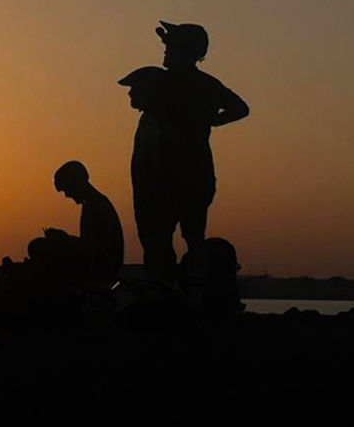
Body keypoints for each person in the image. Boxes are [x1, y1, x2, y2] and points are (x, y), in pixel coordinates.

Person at [119, 21, 249, 288]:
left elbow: (142, 100)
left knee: (158, 237)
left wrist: (209, 121)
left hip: (163, 178)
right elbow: (239, 108)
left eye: (170, 48)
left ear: (184, 51)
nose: (165, 52)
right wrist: (212, 120)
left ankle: (162, 293)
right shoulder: (207, 85)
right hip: (196, 175)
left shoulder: (163, 83)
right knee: (193, 235)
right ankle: (191, 294)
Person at [26, 160, 124, 286]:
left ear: (76, 183)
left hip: (103, 266)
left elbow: (94, 249)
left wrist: (64, 239)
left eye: (66, 189)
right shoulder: (91, 204)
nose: (67, 195)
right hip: (99, 262)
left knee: (38, 246)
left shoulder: (97, 205)